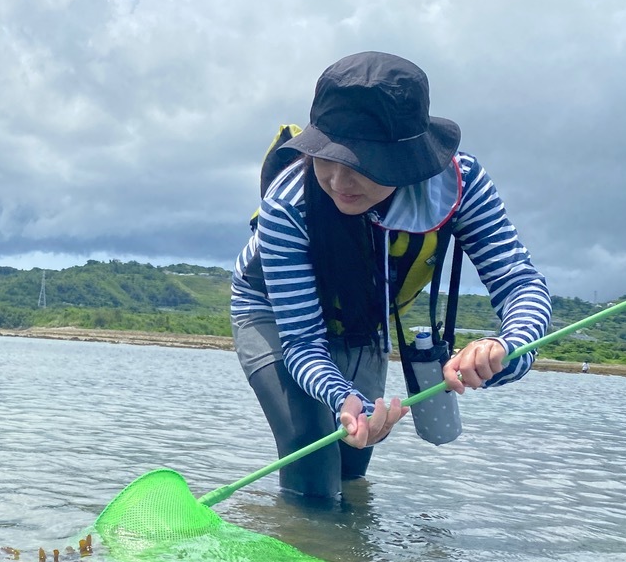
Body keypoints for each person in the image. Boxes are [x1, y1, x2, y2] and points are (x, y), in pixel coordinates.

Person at [231, 52, 551, 504]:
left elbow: (520, 282)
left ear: (407, 159)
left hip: (364, 320)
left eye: (361, 162)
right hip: (274, 316)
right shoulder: (289, 203)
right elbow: (301, 342)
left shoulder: (463, 183)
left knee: (352, 467)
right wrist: (342, 395)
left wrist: (507, 348)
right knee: (312, 455)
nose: (339, 180)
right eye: (326, 157)